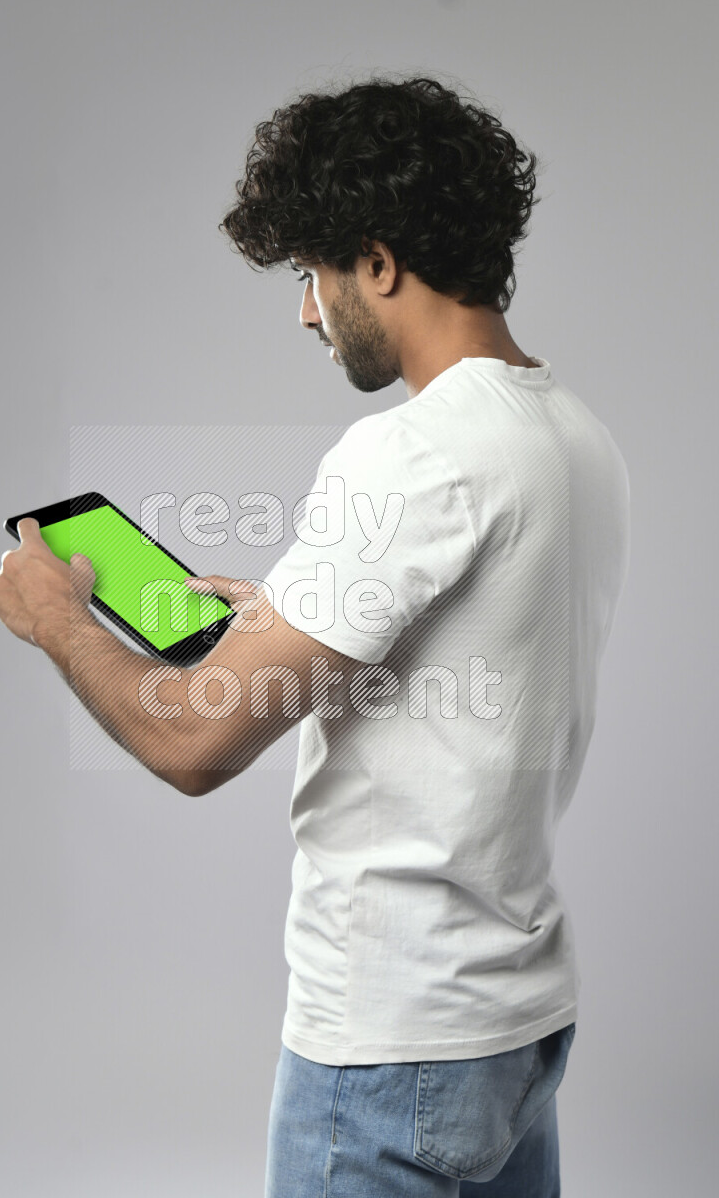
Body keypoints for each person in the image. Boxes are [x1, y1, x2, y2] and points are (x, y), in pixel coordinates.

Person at [216, 72, 631, 1197]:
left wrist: (59, 616)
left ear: (379, 262)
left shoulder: (406, 455)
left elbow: (190, 747)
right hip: (509, 1019)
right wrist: (274, 613)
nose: (308, 309)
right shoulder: (572, 436)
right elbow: (456, 637)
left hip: (386, 1045)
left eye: (312, 273)